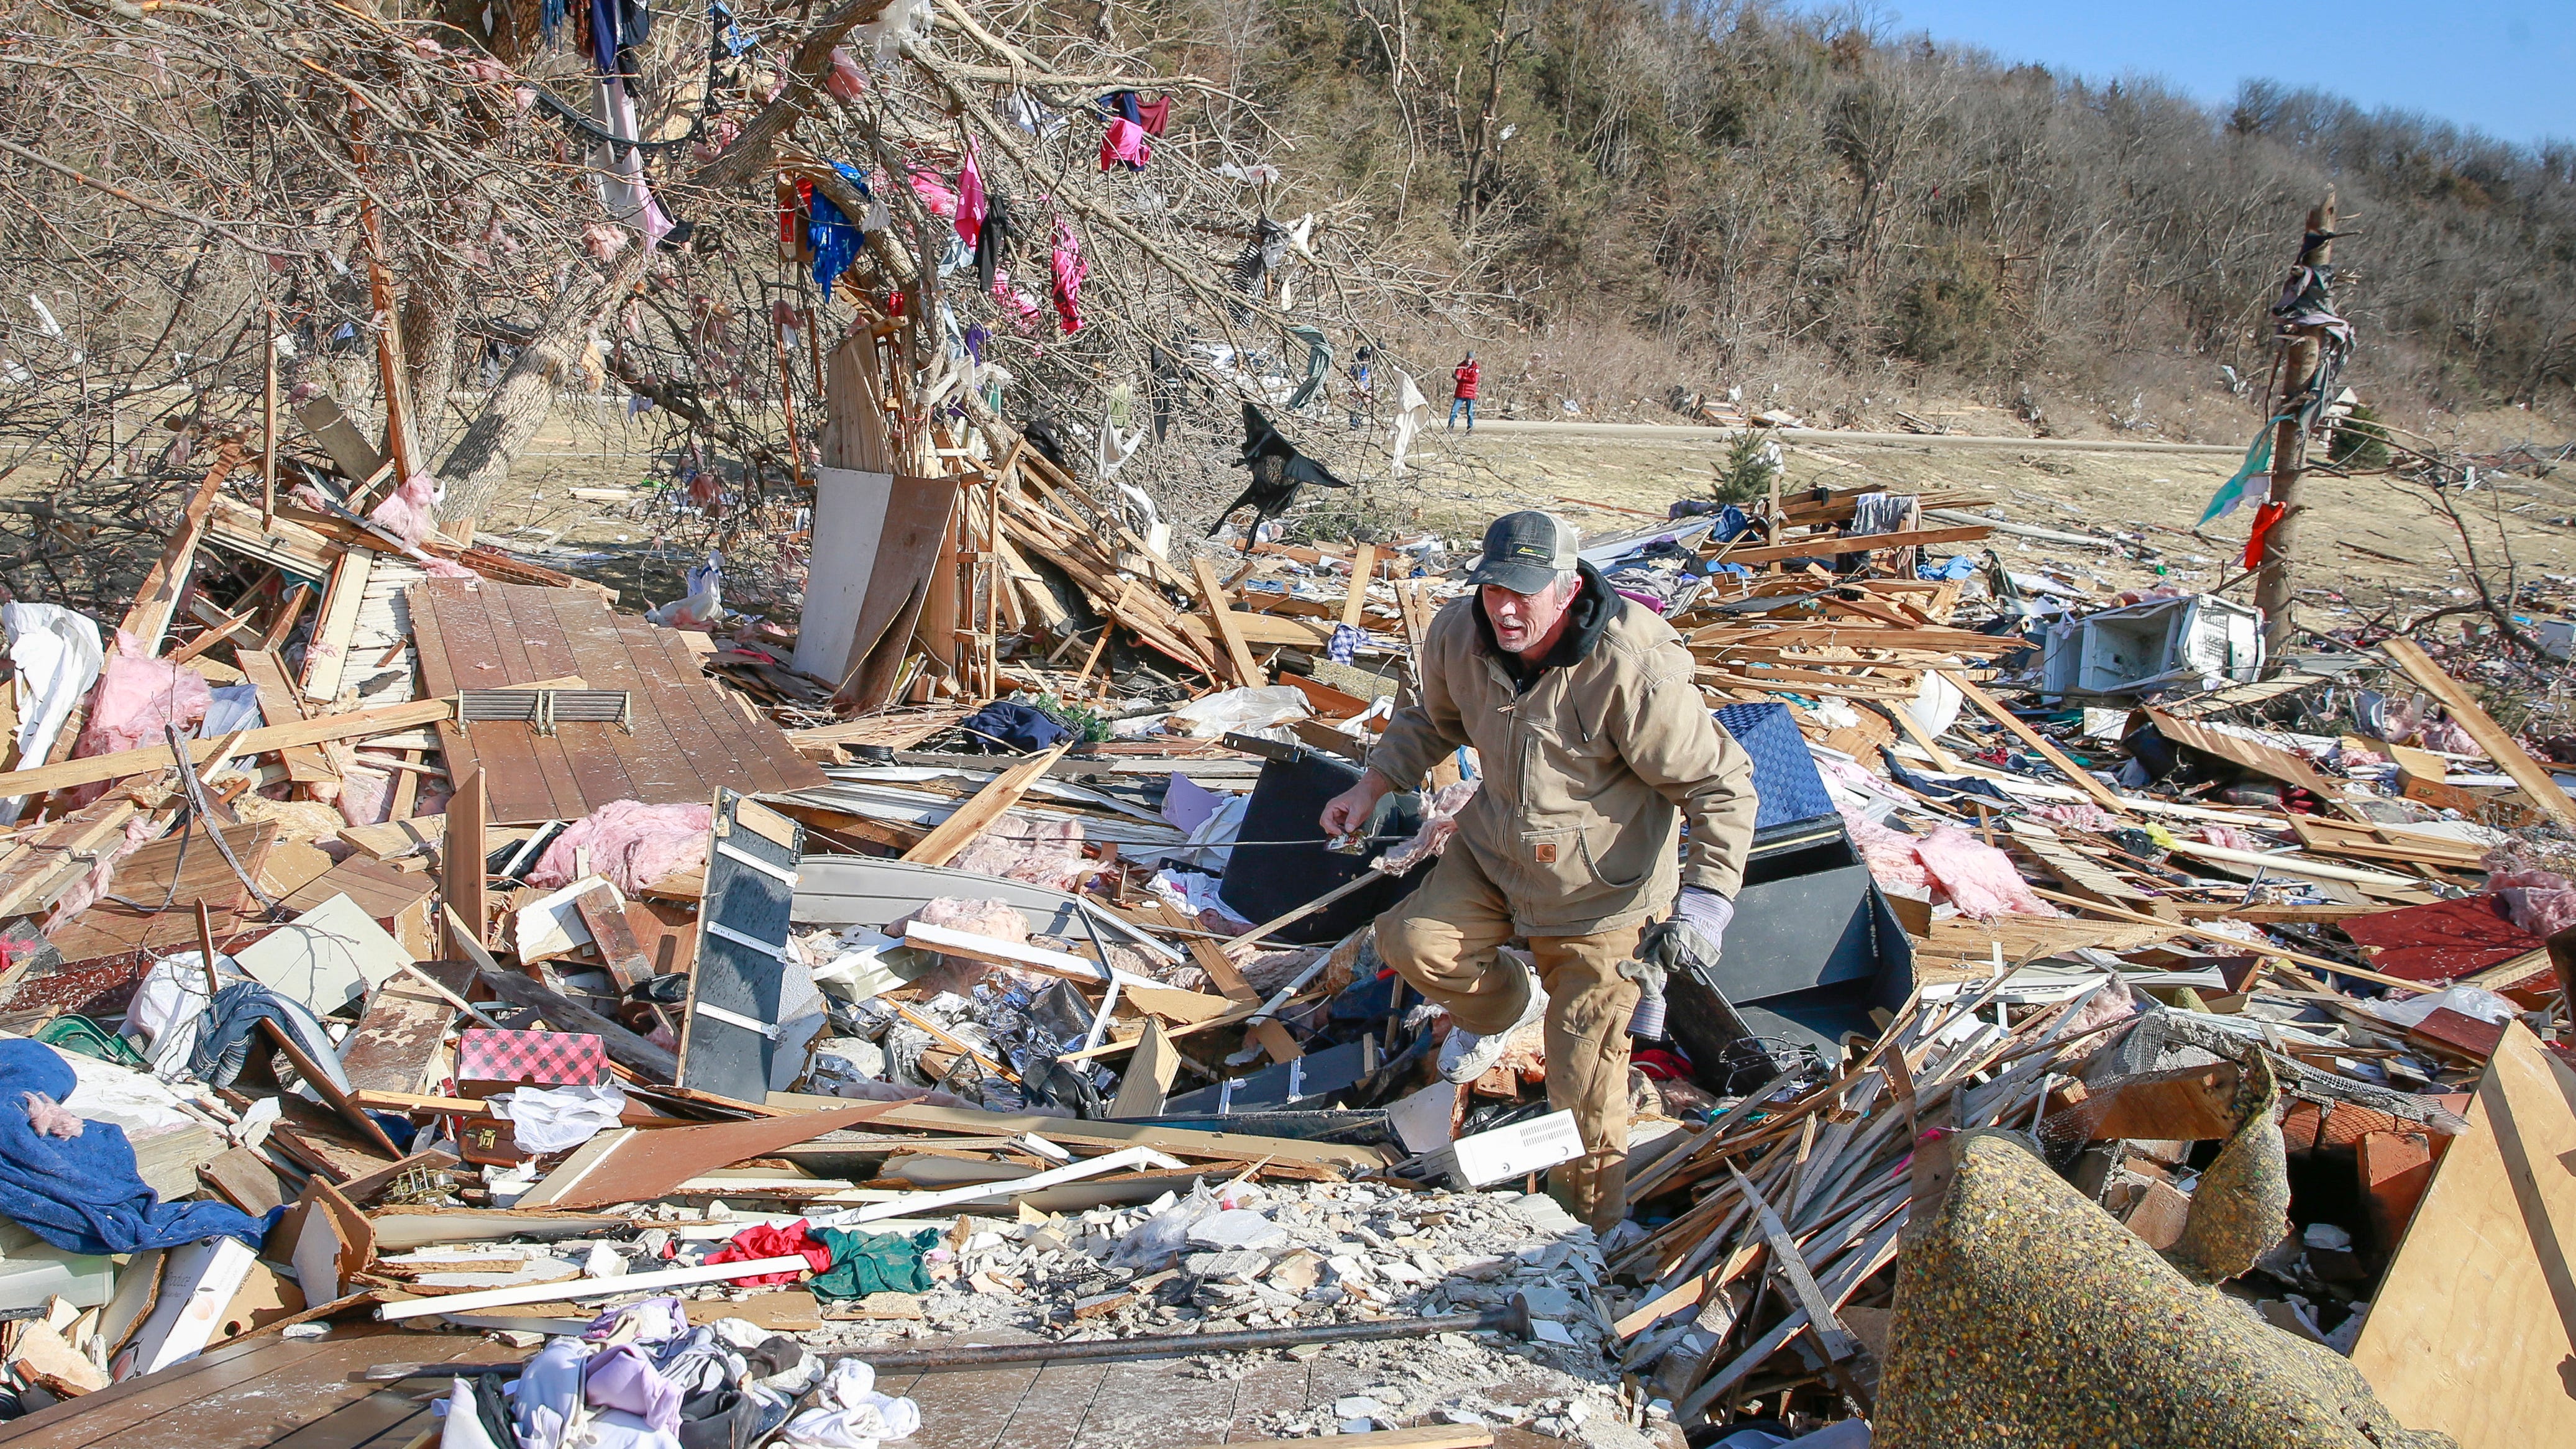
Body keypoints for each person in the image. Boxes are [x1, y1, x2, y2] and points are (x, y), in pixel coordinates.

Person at [1319, 510, 1758, 1232]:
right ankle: (1503, 1008)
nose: (1505, 609)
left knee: (1583, 1084)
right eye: (1494, 589)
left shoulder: (1631, 664)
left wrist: (1707, 903)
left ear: (1567, 587)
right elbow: (1430, 720)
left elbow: (1721, 785)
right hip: (1496, 854)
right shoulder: (1459, 634)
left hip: (1603, 895)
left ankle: (1581, 1238)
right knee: (1412, 941)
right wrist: (1370, 787)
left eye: (1523, 593)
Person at [1448, 352, 1479, 431]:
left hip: (1470, 394)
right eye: (1468, 358)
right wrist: (1456, 377)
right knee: (1454, 411)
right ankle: (1450, 427)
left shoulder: (1476, 368)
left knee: (1470, 413)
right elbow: (1459, 376)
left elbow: (1474, 380)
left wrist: (1463, 378)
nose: (1469, 360)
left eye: (1471, 359)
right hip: (1460, 392)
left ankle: (1469, 429)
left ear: (1473, 359)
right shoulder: (1461, 366)